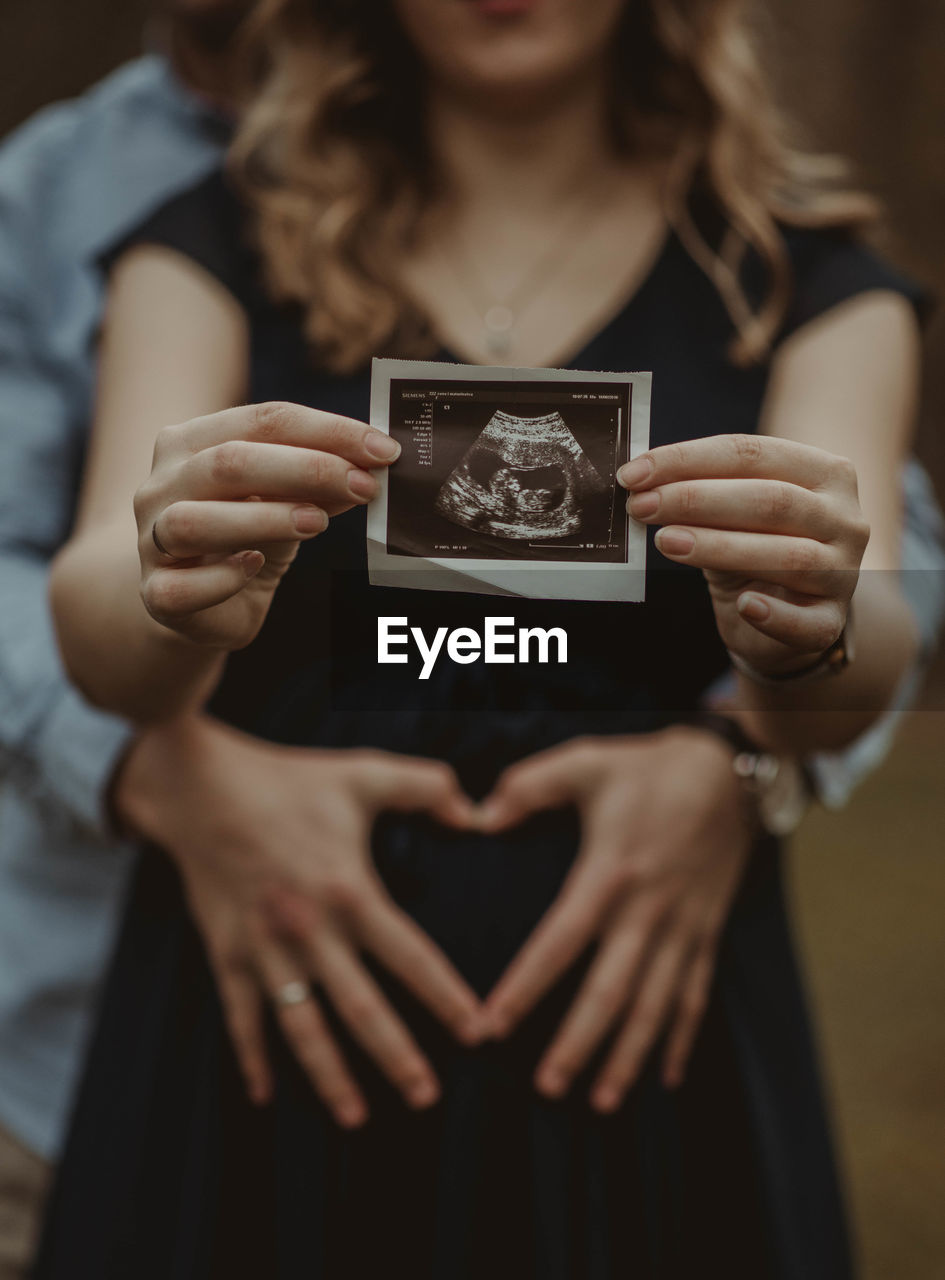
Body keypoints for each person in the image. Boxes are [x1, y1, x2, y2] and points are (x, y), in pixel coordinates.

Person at [17, 0, 944, 1276]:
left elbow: (856, 666)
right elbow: (97, 623)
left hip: (642, 1046)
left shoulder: (806, 277)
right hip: (261, 1044)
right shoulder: (205, 246)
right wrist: (171, 593)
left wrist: (801, 638)